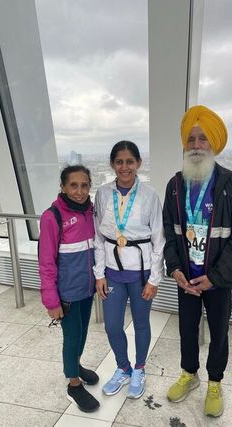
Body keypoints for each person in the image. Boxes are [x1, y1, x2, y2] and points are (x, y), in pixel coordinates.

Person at [163, 105, 232, 417]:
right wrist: (175, 270)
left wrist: (215, 277)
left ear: (213, 144)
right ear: (185, 144)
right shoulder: (175, 186)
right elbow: (170, 233)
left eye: (203, 139)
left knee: (219, 332)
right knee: (186, 330)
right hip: (186, 278)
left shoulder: (231, 185)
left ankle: (215, 381)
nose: (197, 145)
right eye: (192, 138)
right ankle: (189, 374)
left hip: (217, 279)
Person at [93, 140, 165, 399]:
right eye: (119, 162)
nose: (125, 167)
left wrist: (154, 279)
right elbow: (98, 237)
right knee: (112, 325)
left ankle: (139, 369)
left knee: (141, 324)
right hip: (112, 270)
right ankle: (123, 368)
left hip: (141, 271)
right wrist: (99, 273)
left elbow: (159, 238)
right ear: (112, 164)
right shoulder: (102, 193)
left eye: (130, 162)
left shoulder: (149, 195)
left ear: (138, 164)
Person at [39, 165, 100, 413]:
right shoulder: (52, 216)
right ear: (63, 187)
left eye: (84, 185)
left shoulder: (90, 211)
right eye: (73, 185)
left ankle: (76, 364)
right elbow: (46, 262)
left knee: (83, 332)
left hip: (87, 289)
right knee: (72, 336)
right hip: (68, 293)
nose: (79, 191)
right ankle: (73, 383)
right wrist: (51, 301)